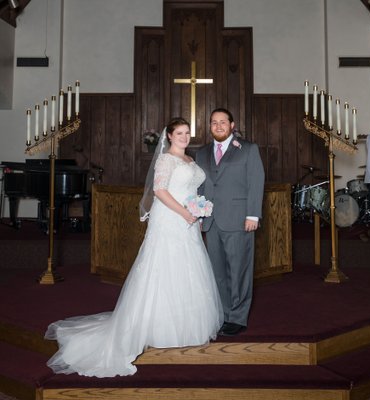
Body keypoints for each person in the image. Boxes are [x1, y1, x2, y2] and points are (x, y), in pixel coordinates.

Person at [44, 117, 223, 378]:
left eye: (187, 133)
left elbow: (191, 190)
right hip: (170, 219)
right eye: (179, 133)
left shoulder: (189, 159)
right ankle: (159, 328)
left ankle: (188, 326)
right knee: (165, 268)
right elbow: (160, 191)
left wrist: (197, 211)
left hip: (189, 221)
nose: (185, 137)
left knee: (188, 269)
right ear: (169, 136)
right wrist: (185, 212)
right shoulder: (166, 160)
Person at [196, 108, 265, 337]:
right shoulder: (201, 153)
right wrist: (199, 215)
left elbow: (256, 181)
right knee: (217, 271)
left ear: (232, 125)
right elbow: (200, 187)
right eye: (214, 122)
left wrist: (253, 215)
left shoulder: (248, 149)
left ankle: (237, 317)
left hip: (239, 219)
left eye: (223, 122)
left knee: (239, 270)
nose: (218, 126)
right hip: (211, 220)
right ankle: (224, 313)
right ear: (209, 126)